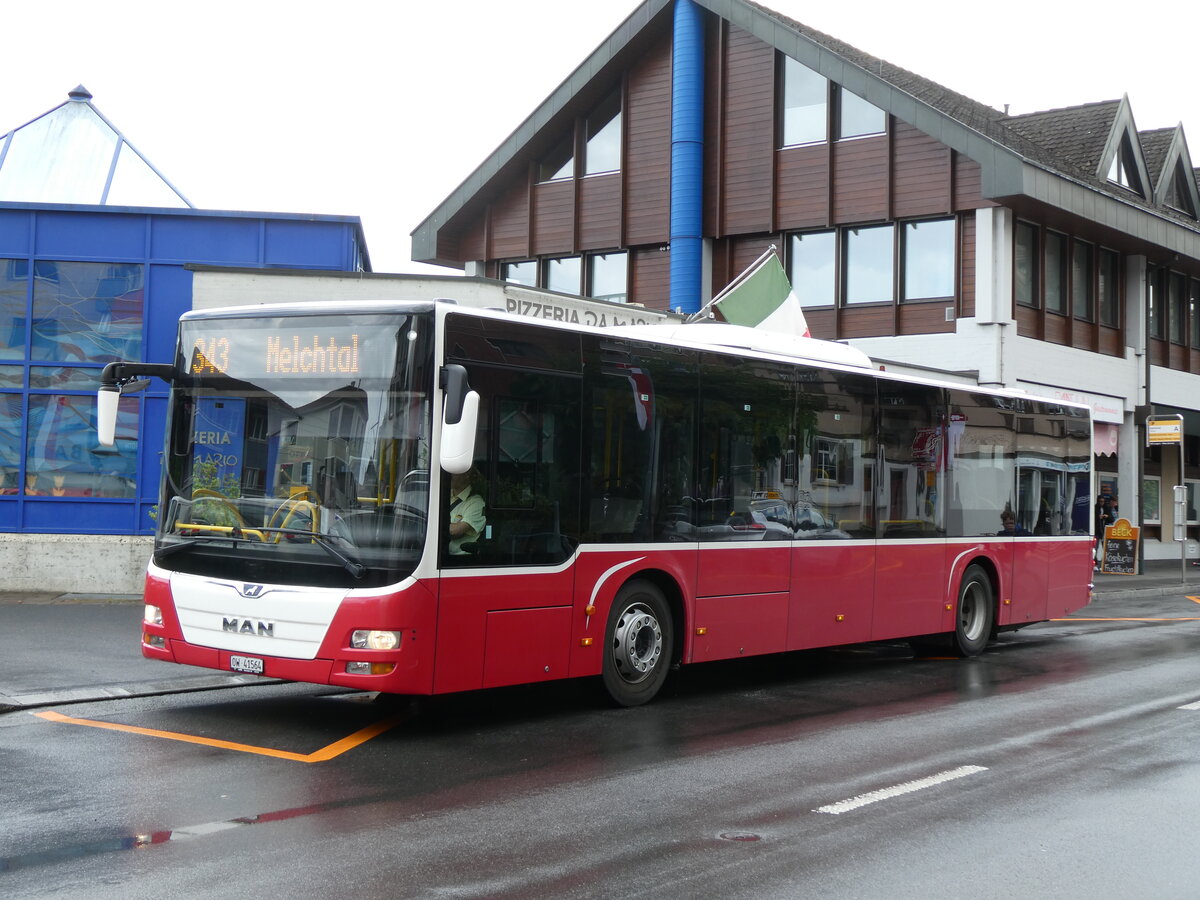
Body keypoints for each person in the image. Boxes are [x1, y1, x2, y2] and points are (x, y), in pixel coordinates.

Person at [447, 467, 486, 555]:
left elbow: (455, 531)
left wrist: (434, 525)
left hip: (460, 561)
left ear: (466, 475)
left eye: (454, 473)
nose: (450, 476)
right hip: (438, 555)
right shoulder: (444, 494)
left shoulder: (476, 503)